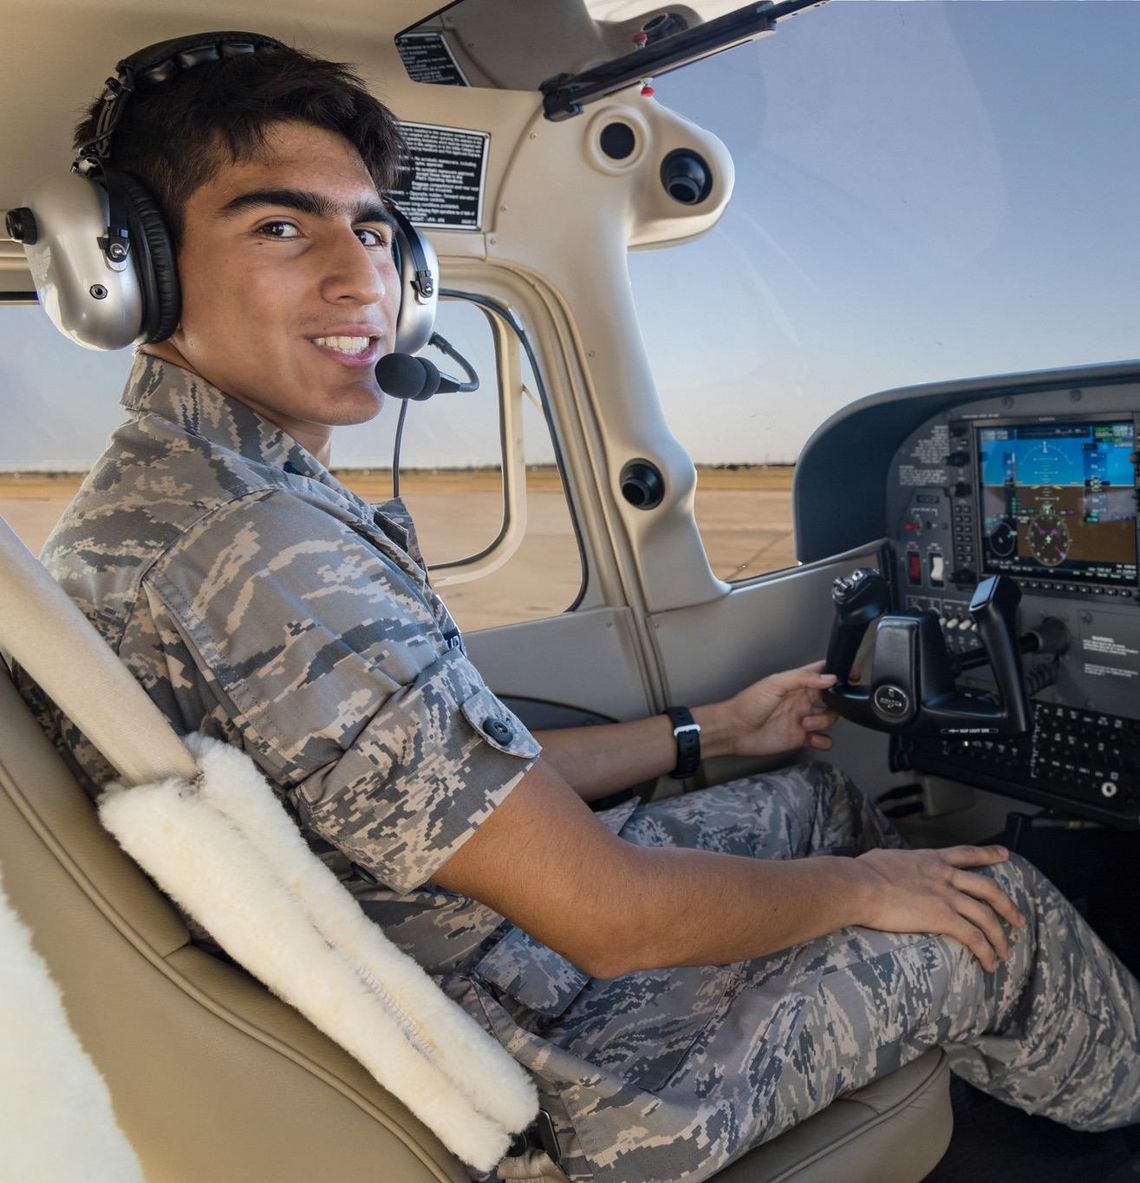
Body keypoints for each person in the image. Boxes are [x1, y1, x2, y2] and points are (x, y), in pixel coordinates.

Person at [18, 35, 1140, 1183]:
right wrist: (872, 888)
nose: (364, 281)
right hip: (551, 1071)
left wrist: (712, 730)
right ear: (134, 269)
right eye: (278, 227)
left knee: (809, 793)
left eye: (370, 229)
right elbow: (610, 917)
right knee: (995, 909)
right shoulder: (261, 556)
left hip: (470, 968)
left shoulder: (188, 495)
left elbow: (459, 785)